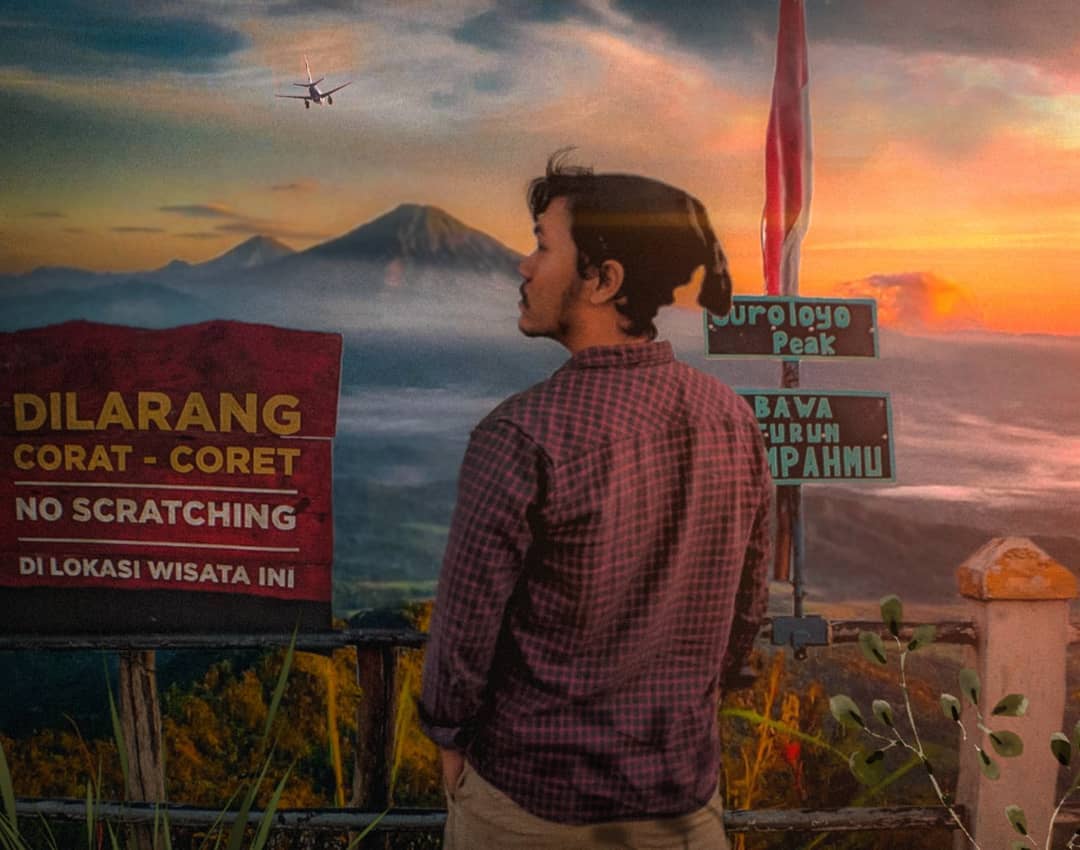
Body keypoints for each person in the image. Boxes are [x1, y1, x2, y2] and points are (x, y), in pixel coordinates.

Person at [418, 151, 772, 849]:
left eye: (543, 247)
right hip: (683, 804)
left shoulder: (520, 435)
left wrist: (447, 739)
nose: (523, 266)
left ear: (604, 280)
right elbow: (746, 608)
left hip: (532, 806)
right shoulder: (732, 418)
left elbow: (463, 633)